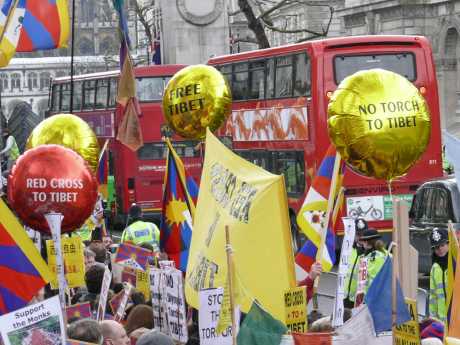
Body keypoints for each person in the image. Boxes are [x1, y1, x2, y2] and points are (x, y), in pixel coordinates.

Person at [353, 228, 387, 296]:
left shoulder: (373, 257)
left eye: (363, 241)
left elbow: (373, 280)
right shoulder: (384, 254)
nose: (362, 244)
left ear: (366, 242)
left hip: (371, 298)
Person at [343, 218, 368, 308]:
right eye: (358, 234)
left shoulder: (369, 253)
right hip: (345, 298)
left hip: (358, 300)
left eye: (363, 234)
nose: (360, 237)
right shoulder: (348, 249)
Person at [429, 228, 449, 322]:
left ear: (449, 244)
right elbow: (433, 296)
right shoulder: (435, 268)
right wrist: (433, 318)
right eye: (436, 247)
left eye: (442, 245)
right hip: (442, 321)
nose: (440, 249)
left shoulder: (456, 263)